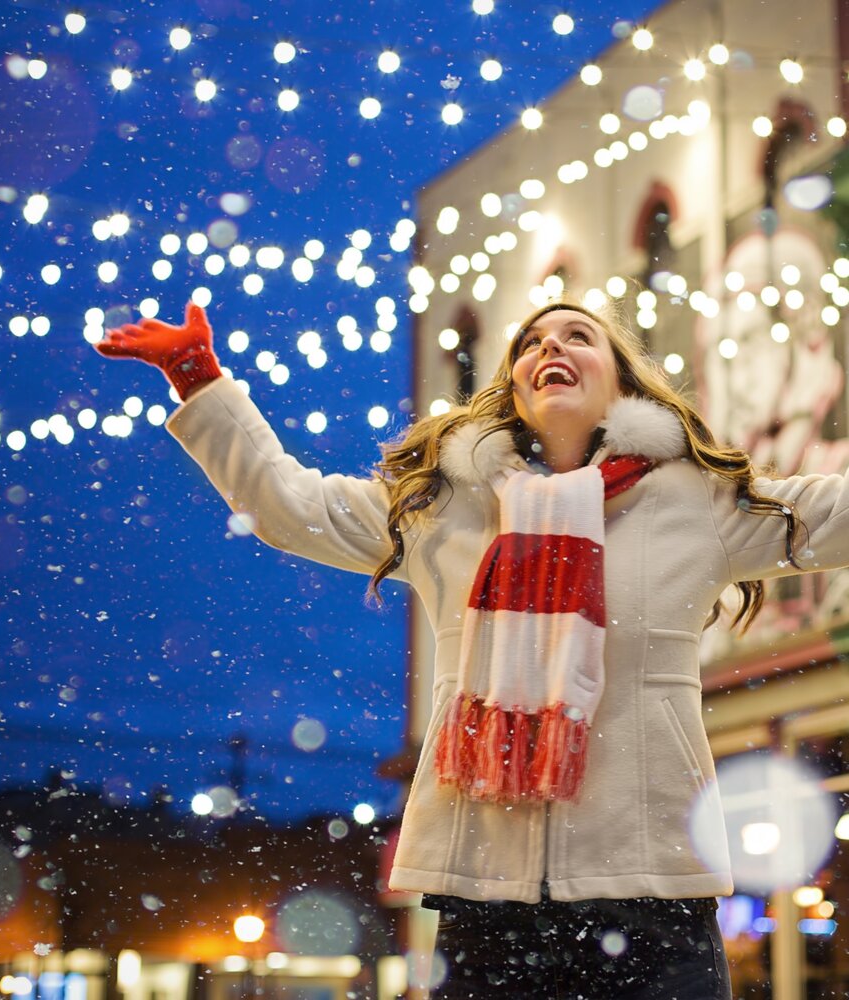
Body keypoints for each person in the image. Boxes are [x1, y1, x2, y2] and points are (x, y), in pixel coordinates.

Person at [96, 299, 849, 998]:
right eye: (530, 343)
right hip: (485, 900)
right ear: (514, 386)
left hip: (652, 887)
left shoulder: (698, 501)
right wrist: (199, 377)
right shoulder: (444, 508)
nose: (550, 345)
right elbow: (289, 507)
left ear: (622, 380)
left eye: (577, 335)